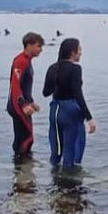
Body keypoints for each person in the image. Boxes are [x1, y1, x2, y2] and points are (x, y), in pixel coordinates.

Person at [42, 38, 95, 167]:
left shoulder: (52, 68)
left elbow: (45, 93)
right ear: (73, 52)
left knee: (56, 152)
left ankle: (54, 182)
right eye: (80, 50)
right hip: (70, 111)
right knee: (71, 151)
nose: (81, 53)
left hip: (55, 111)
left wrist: (58, 84)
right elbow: (78, 94)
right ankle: (69, 184)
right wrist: (89, 118)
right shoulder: (75, 69)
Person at [7, 32, 44, 157]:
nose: (41, 50)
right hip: (17, 106)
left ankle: (24, 170)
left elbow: (25, 86)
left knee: (26, 138)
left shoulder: (27, 61)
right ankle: (21, 170)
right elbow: (15, 84)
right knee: (26, 138)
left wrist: (31, 102)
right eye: (38, 46)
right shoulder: (21, 61)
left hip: (22, 104)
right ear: (29, 45)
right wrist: (23, 104)